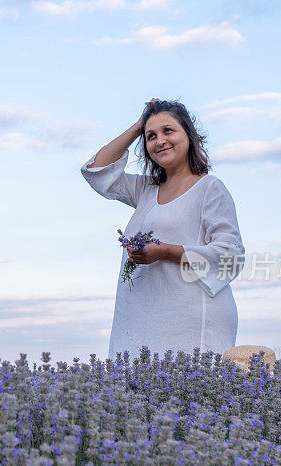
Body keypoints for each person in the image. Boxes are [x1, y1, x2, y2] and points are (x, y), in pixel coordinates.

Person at [80, 99, 245, 358]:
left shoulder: (210, 188)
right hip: (141, 317)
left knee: (189, 392)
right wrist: (138, 125)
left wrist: (165, 251)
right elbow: (97, 172)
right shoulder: (146, 190)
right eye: (151, 136)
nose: (160, 141)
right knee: (134, 390)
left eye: (169, 131)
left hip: (189, 317)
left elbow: (231, 254)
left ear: (188, 136)